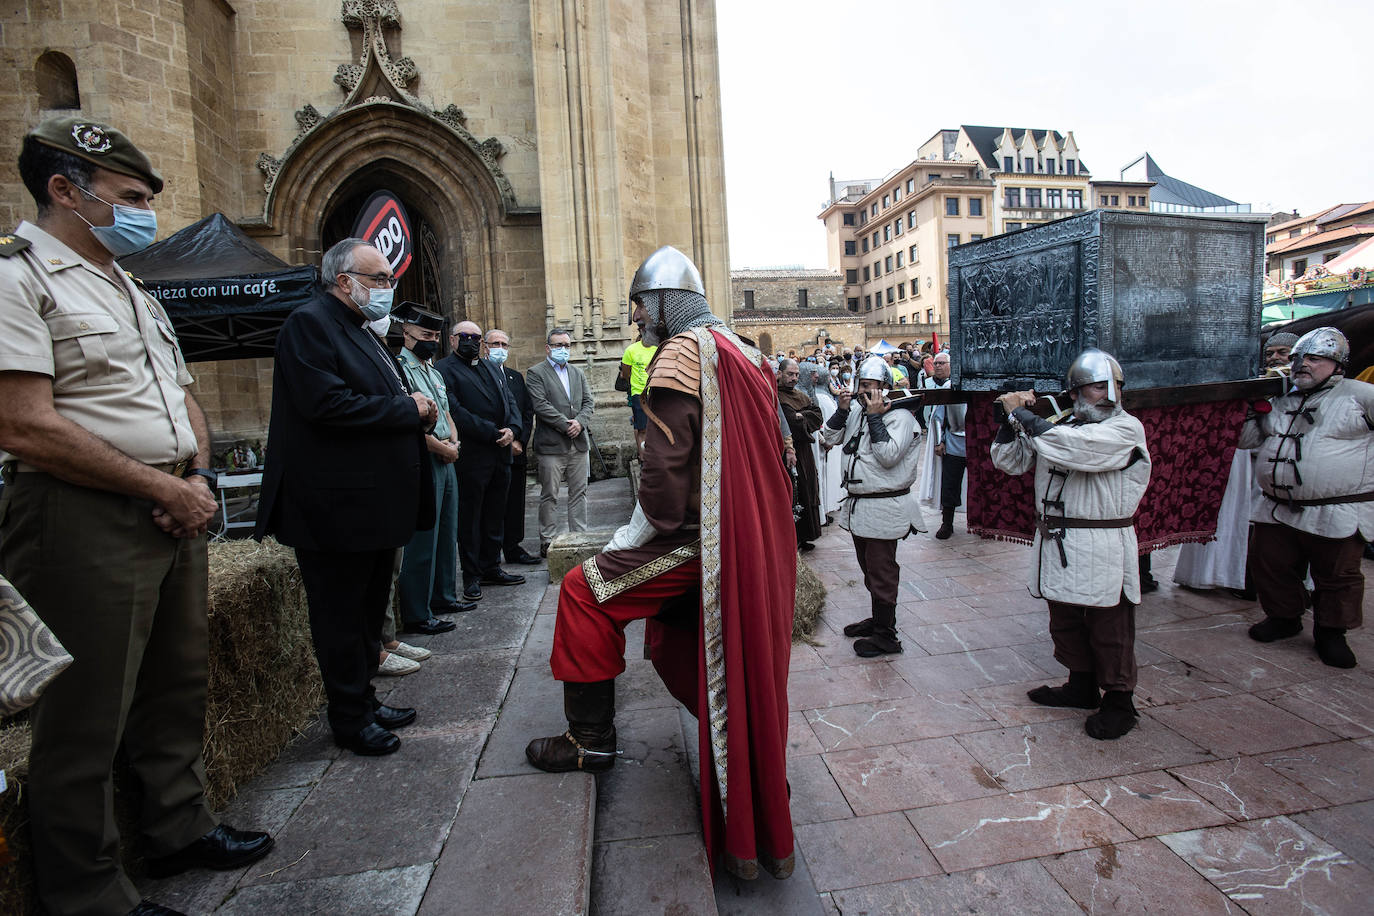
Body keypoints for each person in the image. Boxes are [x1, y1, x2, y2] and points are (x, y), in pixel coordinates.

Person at [0, 115, 273, 916]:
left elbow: (179, 395)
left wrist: (192, 473)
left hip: (169, 502)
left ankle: (177, 825)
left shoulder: (131, 287)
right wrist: (161, 489)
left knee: (173, 683)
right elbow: (23, 424)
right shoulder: (19, 280)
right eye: (128, 197)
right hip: (82, 515)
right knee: (86, 714)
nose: (143, 213)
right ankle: (87, 893)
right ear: (63, 190)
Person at [525, 245, 796, 881]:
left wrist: (636, 537)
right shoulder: (743, 351)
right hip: (750, 537)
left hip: (697, 541)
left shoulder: (682, 354)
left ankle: (589, 742)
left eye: (642, 304)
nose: (639, 317)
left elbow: (666, 472)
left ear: (663, 302)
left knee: (581, 592)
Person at [257, 238, 435, 759]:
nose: (387, 289)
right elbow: (327, 403)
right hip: (336, 509)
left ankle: (365, 699)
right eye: (379, 279)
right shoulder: (310, 324)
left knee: (364, 614)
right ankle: (350, 718)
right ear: (344, 282)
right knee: (339, 617)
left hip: (370, 508)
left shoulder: (359, 330)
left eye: (388, 279)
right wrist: (410, 410)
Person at [991, 349, 1152, 740]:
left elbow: (1079, 451)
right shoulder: (1063, 427)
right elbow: (1009, 461)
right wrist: (1008, 422)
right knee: (1064, 619)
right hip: (1058, 540)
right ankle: (1081, 684)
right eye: (1093, 387)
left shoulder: (1125, 429)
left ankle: (1119, 700)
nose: (1103, 395)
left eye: (1107, 387)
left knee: (1108, 623)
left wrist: (1023, 415)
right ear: (1075, 392)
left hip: (1101, 540)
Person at [1240, 327, 1373, 668]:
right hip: (1275, 507)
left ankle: (1331, 632)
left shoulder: (1360, 395)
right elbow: (1246, 440)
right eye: (1300, 358)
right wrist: (1250, 411)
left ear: (1337, 364)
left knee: (1337, 575)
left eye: (1314, 359)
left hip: (1337, 508)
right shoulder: (1281, 398)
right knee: (1268, 564)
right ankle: (1284, 618)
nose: (1303, 365)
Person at [821, 356, 927, 657]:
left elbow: (888, 455)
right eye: (861, 384)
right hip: (861, 507)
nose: (862, 390)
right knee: (869, 570)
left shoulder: (902, 418)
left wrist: (876, 416)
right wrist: (842, 411)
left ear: (884, 387)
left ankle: (886, 636)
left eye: (869, 385)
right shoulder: (856, 411)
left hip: (885, 506)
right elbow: (828, 438)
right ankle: (879, 621)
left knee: (882, 572)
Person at [437, 320, 525, 599]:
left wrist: (513, 429)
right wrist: (492, 432)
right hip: (473, 455)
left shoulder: (490, 367)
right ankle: (472, 575)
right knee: (471, 517)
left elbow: (510, 401)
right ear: (452, 340)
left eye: (476, 337)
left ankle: (491, 567)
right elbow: (455, 410)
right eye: (465, 336)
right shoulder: (443, 370)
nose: (471, 341)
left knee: (495, 514)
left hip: (500, 453)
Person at [395, 306, 468, 635]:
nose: (431, 341)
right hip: (424, 457)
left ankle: (444, 595)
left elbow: (448, 415)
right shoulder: (400, 370)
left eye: (435, 336)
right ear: (407, 333)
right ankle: (417, 611)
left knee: (447, 532)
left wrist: (453, 443)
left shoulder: (434, 372)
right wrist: (441, 448)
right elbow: (408, 424)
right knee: (423, 538)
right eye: (426, 335)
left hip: (447, 456)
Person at [527, 328, 595, 557]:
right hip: (552, 446)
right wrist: (566, 425)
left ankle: (579, 537)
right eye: (558, 345)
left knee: (579, 493)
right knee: (550, 494)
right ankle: (547, 540)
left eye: (566, 345)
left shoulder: (577, 372)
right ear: (548, 348)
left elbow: (589, 402)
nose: (563, 350)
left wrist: (580, 422)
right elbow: (540, 404)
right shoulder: (536, 373)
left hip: (578, 444)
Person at [488, 328, 541, 566]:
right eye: (495, 344)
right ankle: (489, 554)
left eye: (504, 345)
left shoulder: (515, 377)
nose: (500, 349)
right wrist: (502, 439)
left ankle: (513, 546)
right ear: (485, 347)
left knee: (515, 502)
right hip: (492, 449)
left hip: (517, 451)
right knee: (492, 505)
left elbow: (526, 412)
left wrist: (519, 439)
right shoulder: (479, 374)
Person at [777, 358, 823, 550]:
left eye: (796, 375)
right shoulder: (776, 396)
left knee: (808, 488)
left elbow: (817, 416)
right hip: (786, 450)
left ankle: (805, 536)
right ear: (780, 373)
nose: (794, 378)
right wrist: (802, 417)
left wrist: (801, 416)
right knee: (793, 492)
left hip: (805, 450)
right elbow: (788, 421)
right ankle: (791, 539)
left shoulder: (801, 395)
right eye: (790, 374)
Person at [925, 352, 967, 540]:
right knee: (950, 485)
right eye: (937, 363)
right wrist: (938, 441)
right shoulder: (949, 388)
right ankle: (947, 523)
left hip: (975, 445)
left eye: (943, 363)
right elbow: (937, 417)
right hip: (954, 443)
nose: (939, 366)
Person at [813, 361, 843, 521]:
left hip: (826, 445)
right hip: (822, 445)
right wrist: (826, 441)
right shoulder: (820, 399)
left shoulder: (823, 398)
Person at [621, 328, 657, 454]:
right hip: (638, 394)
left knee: (657, 427)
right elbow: (625, 373)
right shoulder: (631, 350)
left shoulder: (658, 349)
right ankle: (643, 460)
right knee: (642, 429)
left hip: (656, 393)